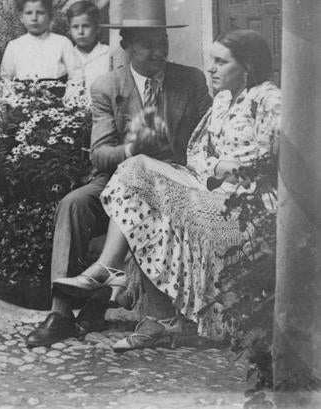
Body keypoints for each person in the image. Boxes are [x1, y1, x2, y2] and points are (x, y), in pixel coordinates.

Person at [52, 29, 280, 350]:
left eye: (221, 61)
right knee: (135, 167)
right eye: (211, 60)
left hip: (245, 205)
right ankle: (108, 285)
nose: (211, 67)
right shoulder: (223, 100)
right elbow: (197, 153)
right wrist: (215, 166)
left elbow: (278, 163)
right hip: (203, 188)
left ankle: (131, 293)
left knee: (149, 189)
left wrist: (231, 168)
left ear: (249, 66)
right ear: (128, 47)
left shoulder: (269, 100)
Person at [25, 0, 211, 348]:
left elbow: (208, 140)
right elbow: (100, 154)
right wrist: (132, 149)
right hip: (114, 181)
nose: (159, 53)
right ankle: (60, 314)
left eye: (163, 43)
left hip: (173, 184)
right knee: (74, 204)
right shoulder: (108, 87)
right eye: (148, 45)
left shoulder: (191, 81)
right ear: (125, 45)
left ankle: (103, 285)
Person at [0, 0, 78, 82]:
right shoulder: (14, 46)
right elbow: (5, 78)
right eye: (29, 13)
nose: (34, 18)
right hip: (22, 95)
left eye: (40, 13)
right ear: (21, 18)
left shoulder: (63, 42)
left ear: (50, 16)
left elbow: (75, 75)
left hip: (59, 95)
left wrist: (68, 95)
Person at [65, 0, 112, 92]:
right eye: (75, 27)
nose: (80, 32)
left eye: (86, 26)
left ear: (97, 28)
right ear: (69, 30)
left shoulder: (108, 54)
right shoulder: (67, 55)